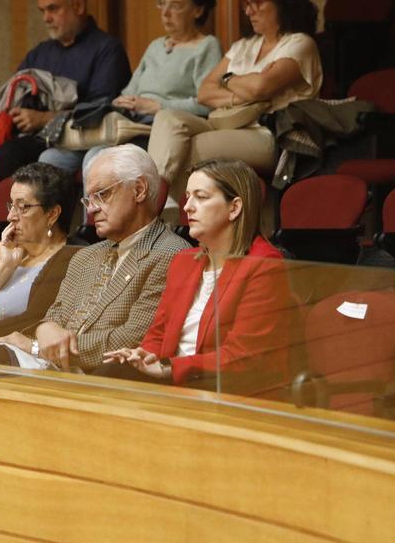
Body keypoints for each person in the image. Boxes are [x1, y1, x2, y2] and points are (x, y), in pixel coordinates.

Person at [103, 159, 289, 394]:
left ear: (234, 208)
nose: (188, 206)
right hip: (175, 386)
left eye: (200, 197)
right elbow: (158, 333)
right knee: (106, 377)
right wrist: (145, 355)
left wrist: (170, 368)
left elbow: (243, 357)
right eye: (187, 197)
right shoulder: (184, 261)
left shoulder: (264, 264)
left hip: (230, 392)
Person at [148, 0, 321, 207]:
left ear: (281, 1)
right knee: (167, 118)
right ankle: (162, 214)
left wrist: (227, 80)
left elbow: (262, 87)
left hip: (268, 134)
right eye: (245, 3)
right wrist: (240, 94)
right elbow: (204, 91)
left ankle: (158, 215)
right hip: (225, 122)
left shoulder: (299, 44)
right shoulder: (244, 45)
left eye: (257, 2)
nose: (249, 11)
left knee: (188, 148)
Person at [0, 0, 130, 180]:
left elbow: (100, 111)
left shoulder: (107, 50)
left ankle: (6, 212)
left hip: (67, 140)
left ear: (78, 5)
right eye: (42, 11)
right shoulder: (39, 53)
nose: (46, 18)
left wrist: (43, 119)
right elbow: (14, 94)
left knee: (9, 153)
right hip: (23, 136)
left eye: (53, 9)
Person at [33, 145, 189, 372]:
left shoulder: (171, 254)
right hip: (50, 369)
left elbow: (131, 339)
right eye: (89, 200)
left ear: (139, 190)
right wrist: (44, 329)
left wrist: (37, 347)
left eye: (103, 194)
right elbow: (52, 317)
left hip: (105, 379)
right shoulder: (83, 257)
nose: (92, 209)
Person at [71, 0, 223, 176]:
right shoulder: (156, 46)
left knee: (96, 157)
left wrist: (157, 106)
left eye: (176, 6)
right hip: (130, 124)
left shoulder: (207, 46)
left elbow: (206, 104)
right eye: (162, 3)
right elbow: (129, 91)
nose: (165, 13)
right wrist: (122, 102)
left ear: (198, 10)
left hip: (161, 132)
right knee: (52, 157)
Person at [0, 163, 80, 358]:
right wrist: (5, 265)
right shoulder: (11, 252)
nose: (10, 216)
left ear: (52, 214)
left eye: (23, 207)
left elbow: (38, 319)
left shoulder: (72, 257)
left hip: (31, 360)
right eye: (11, 205)